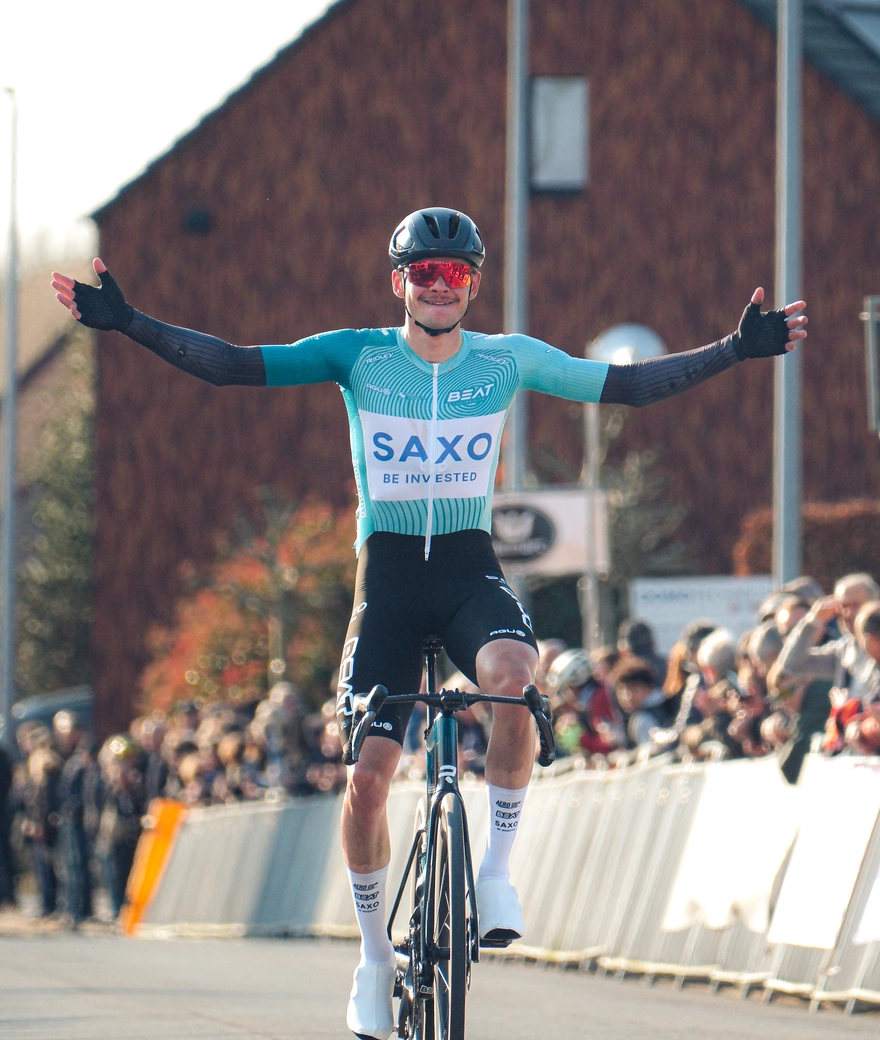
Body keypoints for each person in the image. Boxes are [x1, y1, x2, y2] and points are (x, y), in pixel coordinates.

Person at [52, 206, 808, 1040]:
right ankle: (375, 958)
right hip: (385, 585)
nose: (439, 288)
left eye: (454, 275)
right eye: (423, 274)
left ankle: (494, 873)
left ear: (474, 284)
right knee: (369, 776)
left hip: (466, 569)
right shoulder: (359, 356)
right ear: (398, 283)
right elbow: (232, 366)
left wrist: (736, 350)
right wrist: (128, 323)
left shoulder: (506, 360)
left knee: (518, 685)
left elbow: (626, 388)